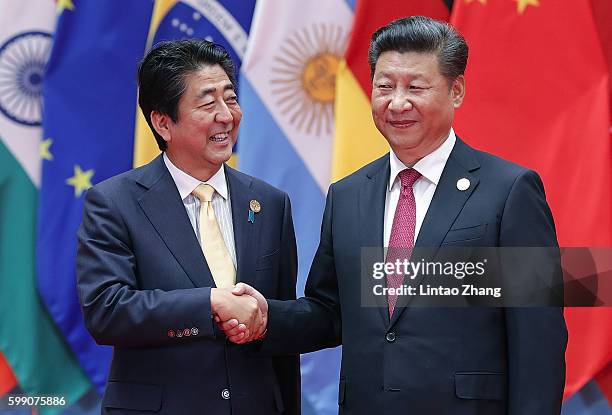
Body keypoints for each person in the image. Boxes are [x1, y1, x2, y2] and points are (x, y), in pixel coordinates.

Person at [221, 16, 567, 414]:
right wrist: (265, 317)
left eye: (416, 87)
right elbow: (330, 311)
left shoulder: (509, 191)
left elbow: (537, 339)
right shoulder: (347, 195)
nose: (397, 103)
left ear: (456, 91)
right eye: (384, 87)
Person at [76, 39, 300, 415]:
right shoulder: (115, 202)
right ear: (163, 122)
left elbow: (280, 328)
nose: (226, 115)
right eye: (208, 103)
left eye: (230, 98)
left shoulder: (269, 202)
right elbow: (107, 310)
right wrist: (210, 303)